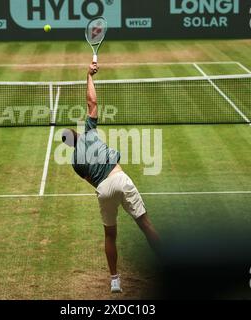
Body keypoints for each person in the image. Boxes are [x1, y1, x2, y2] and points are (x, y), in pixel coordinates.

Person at [61, 62, 161, 293]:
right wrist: (89, 76)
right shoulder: (90, 131)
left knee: (110, 234)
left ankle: (114, 280)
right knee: (146, 225)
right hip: (120, 178)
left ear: (68, 145)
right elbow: (92, 102)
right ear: (77, 133)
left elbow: (91, 181)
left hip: (103, 189)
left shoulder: (75, 162)